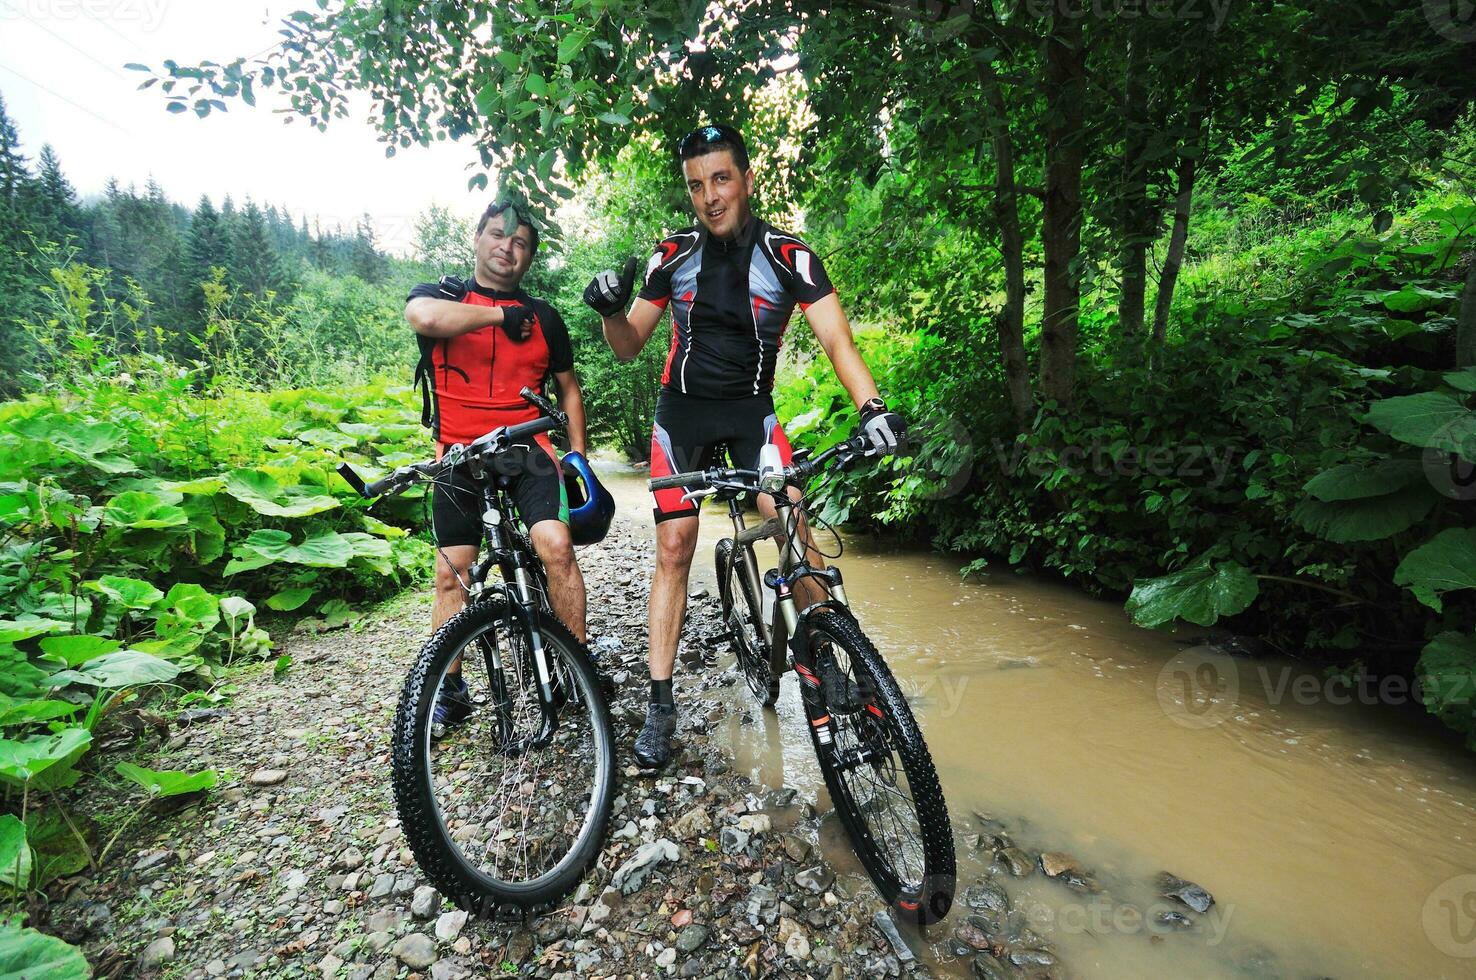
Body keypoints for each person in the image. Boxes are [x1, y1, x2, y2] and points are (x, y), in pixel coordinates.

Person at [583, 124, 907, 768]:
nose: (709, 196)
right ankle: (661, 703)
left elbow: (838, 343)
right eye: (696, 185)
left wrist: (874, 409)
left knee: (790, 517)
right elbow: (628, 344)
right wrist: (609, 311)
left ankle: (829, 658)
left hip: (750, 411)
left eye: (721, 178)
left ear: (747, 180)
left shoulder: (790, 256)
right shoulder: (669, 256)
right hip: (683, 414)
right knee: (674, 546)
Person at [405, 199, 591, 731]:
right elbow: (423, 318)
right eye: (497, 235)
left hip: (529, 450)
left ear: (529, 256)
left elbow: (569, 390)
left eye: (520, 243)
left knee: (556, 547)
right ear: (477, 238)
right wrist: (499, 314)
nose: (506, 248)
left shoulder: (547, 319)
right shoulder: (441, 294)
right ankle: (450, 686)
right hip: (458, 452)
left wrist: (576, 454)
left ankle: (573, 665)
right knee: (451, 573)